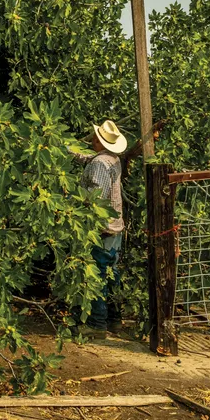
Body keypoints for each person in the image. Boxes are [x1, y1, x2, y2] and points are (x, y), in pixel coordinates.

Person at [72, 119, 127, 332]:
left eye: (96, 137)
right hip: (115, 226)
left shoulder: (99, 164)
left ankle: (97, 325)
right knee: (112, 273)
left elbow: (97, 196)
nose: (93, 140)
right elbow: (90, 160)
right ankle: (115, 319)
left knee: (97, 275)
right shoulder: (112, 159)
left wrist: (80, 208)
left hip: (101, 229)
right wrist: (70, 151)